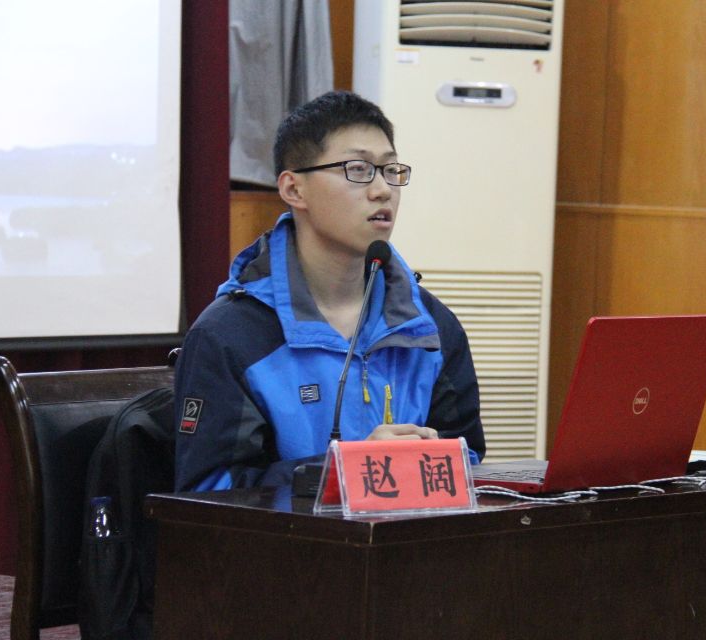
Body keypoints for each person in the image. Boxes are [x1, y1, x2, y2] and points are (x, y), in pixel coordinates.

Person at [174, 90, 485, 492]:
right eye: (358, 169)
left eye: (391, 170)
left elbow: (467, 463)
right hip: (289, 536)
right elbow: (209, 495)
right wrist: (347, 472)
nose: (382, 190)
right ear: (294, 189)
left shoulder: (429, 327)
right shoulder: (230, 336)